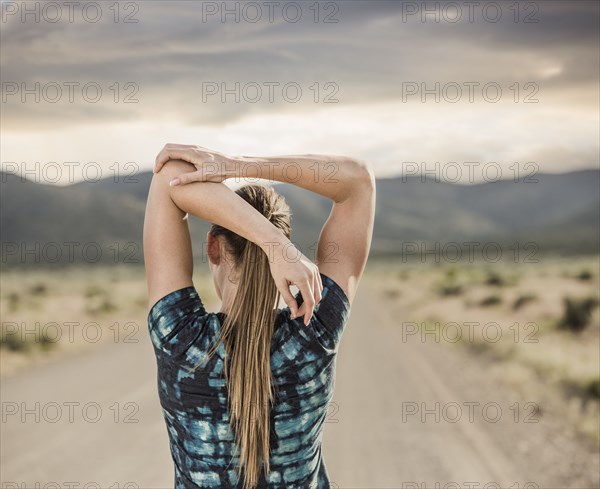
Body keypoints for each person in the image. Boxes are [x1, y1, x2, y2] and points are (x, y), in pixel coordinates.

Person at [143, 144, 376, 489]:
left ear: (213, 247)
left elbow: (169, 175)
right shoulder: (315, 330)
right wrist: (236, 166)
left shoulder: (179, 338)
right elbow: (357, 182)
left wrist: (270, 242)